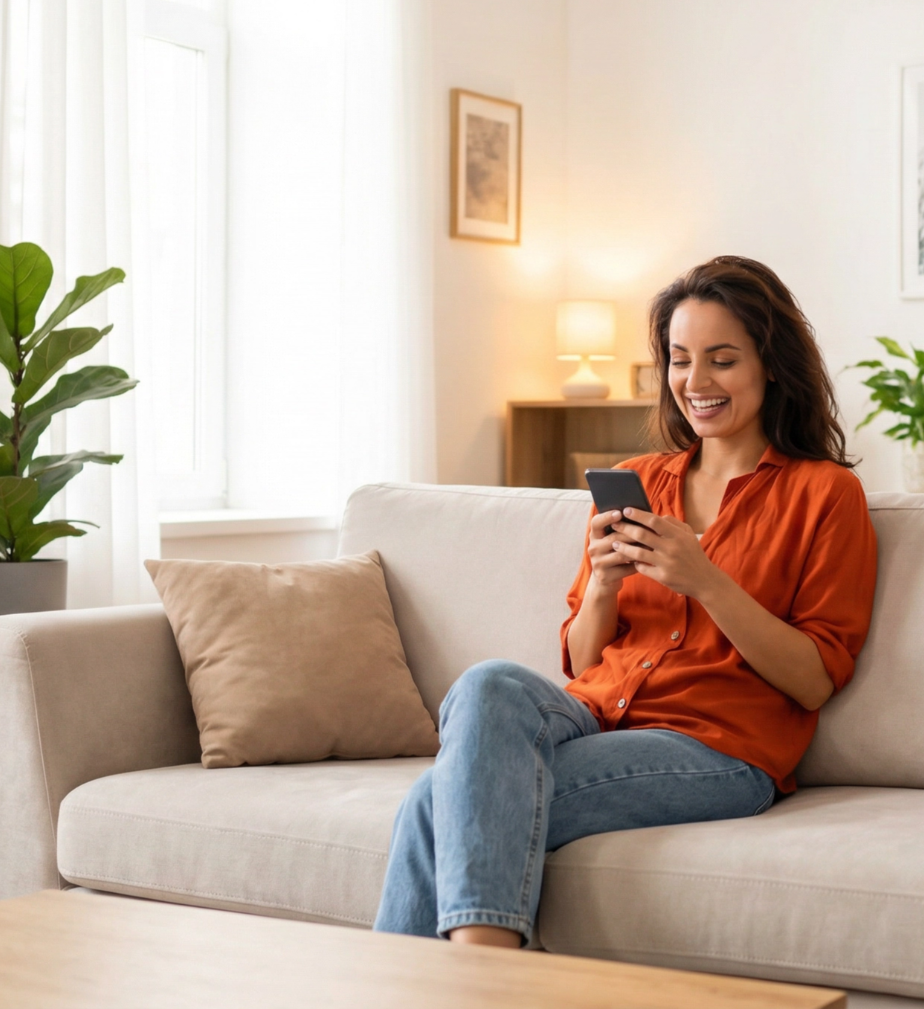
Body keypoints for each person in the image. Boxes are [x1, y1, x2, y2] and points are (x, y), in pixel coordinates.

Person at [374, 256, 879, 948]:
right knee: (487, 683)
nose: (695, 383)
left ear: (771, 364)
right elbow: (582, 661)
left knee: (438, 802)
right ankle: (479, 980)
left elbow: (814, 677)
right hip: (596, 715)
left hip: (720, 751)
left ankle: (469, 984)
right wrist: (606, 583)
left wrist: (706, 580)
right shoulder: (640, 480)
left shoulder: (824, 494)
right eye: (679, 360)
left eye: (722, 360)